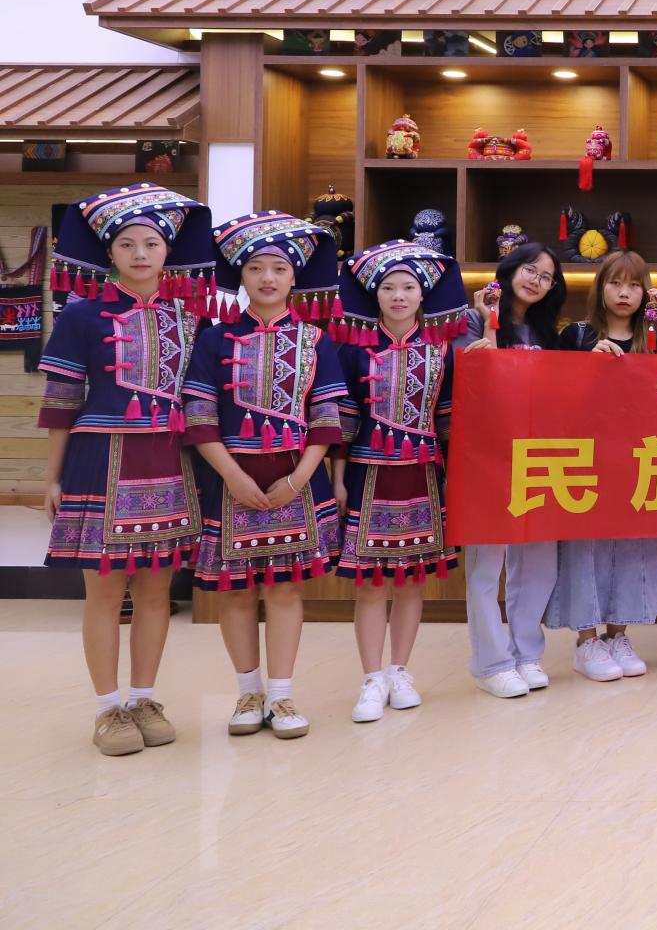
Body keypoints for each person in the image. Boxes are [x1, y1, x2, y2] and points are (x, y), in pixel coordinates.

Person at [39, 185, 215, 756]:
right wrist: (52, 477)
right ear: (109, 252)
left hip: (170, 459)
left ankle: (143, 699)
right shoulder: (81, 313)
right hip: (100, 459)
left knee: (158, 589)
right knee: (104, 591)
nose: (140, 253)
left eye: (151, 244)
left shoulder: (192, 317)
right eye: (127, 244)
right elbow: (61, 400)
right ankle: (106, 709)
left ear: (168, 252)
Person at [184, 212, 347, 740]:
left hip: (295, 478)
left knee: (284, 591)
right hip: (230, 479)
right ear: (241, 275)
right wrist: (232, 476)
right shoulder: (214, 339)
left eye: (279, 268)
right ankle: (247, 694)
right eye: (256, 268)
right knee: (235, 592)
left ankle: (281, 695)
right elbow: (199, 418)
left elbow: (327, 420)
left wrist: (299, 479)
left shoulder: (316, 340)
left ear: (295, 276)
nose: (268, 278)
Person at [333, 240, 467, 723]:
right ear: (375, 293)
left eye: (408, 287)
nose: (398, 296)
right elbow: (342, 422)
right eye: (388, 287)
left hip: (424, 472)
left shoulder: (442, 350)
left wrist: (455, 477)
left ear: (422, 294)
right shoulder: (353, 349)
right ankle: (371, 678)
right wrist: (337, 479)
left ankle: (400, 670)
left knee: (412, 579)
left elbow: (449, 421)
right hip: (367, 472)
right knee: (371, 582)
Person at [548, 251, 657, 683]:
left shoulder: (651, 336)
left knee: (634, 547)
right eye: (616, 283)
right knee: (585, 547)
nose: (625, 293)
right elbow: (557, 396)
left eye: (635, 285)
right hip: (587, 458)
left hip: (639, 457)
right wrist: (589, 363)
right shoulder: (576, 335)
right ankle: (587, 641)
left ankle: (618, 635)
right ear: (600, 287)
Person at [460, 241, 567, 699]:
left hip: (538, 454)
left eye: (546, 277)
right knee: (488, 563)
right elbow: (472, 377)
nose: (536, 281)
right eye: (530, 270)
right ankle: (491, 663)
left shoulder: (548, 331)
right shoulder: (470, 318)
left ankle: (526, 653)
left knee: (539, 559)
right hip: (487, 455)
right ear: (509, 269)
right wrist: (488, 320)